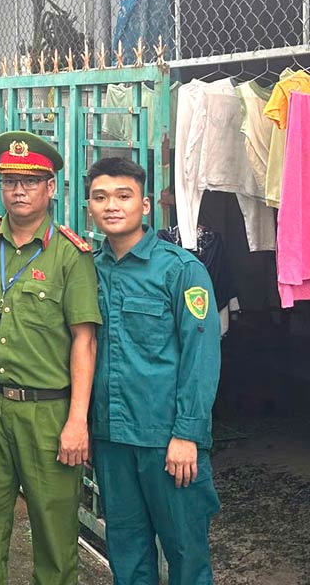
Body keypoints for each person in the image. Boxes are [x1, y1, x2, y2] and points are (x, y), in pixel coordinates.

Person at [0, 131, 101, 585]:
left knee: (55, 533)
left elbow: (84, 341)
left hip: (46, 411)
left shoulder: (70, 255)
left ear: (51, 187)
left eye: (32, 180)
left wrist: (77, 421)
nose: (19, 190)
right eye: (10, 180)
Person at [87, 157, 221, 585]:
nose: (112, 206)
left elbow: (201, 359)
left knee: (186, 556)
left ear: (144, 206)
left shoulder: (181, 270)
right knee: (127, 557)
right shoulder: (88, 271)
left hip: (168, 442)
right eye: (101, 197)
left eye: (123, 196)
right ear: (89, 205)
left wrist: (187, 435)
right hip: (112, 441)